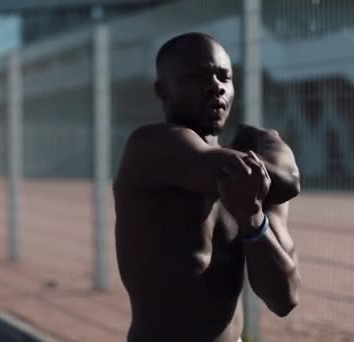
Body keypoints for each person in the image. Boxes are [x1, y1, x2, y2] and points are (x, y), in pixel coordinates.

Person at [114, 32, 301, 342]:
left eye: (224, 76)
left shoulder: (252, 187)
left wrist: (253, 221)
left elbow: (284, 298)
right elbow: (287, 180)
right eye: (197, 76)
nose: (216, 85)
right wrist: (273, 146)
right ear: (163, 90)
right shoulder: (150, 146)